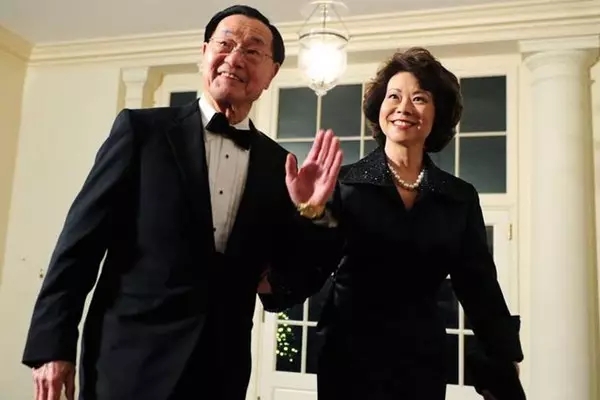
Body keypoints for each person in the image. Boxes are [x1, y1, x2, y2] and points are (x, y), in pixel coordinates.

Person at [22, 5, 343, 400]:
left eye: (253, 51)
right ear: (204, 53)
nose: (235, 58)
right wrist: (51, 347)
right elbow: (79, 245)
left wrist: (312, 213)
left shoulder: (281, 166)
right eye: (225, 44)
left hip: (219, 373)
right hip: (127, 365)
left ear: (271, 73)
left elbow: (283, 290)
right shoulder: (140, 131)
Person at [261, 47, 524, 399]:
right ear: (379, 108)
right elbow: (308, 271)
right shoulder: (343, 183)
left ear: (437, 114)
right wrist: (310, 210)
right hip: (348, 357)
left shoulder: (458, 197)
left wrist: (503, 360)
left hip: (421, 361)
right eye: (394, 96)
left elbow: (480, 287)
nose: (404, 107)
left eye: (420, 98)